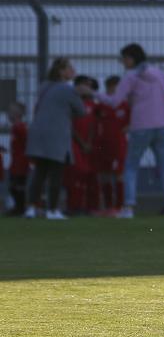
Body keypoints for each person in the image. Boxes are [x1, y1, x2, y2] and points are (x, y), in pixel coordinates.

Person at [95, 43, 164, 219]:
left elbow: (114, 101)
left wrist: (94, 94)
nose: (122, 63)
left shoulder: (130, 77)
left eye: (123, 59)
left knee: (131, 168)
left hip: (141, 126)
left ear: (130, 58)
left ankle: (129, 208)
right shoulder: (158, 73)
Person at [23, 58, 89, 220]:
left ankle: (31, 208)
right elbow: (81, 111)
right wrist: (81, 95)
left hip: (38, 133)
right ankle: (52, 210)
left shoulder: (44, 87)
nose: (73, 71)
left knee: (39, 172)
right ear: (62, 71)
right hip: (57, 135)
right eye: (69, 68)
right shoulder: (68, 90)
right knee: (56, 173)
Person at [94, 76, 129, 214]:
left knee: (119, 174)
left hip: (119, 145)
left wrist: (128, 128)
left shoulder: (125, 105)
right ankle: (108, 207)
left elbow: (133, 121)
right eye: (110, 87)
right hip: (103, 146)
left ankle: (119, 207)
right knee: (104, 175)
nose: (112, 90)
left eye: (115, 87)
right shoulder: (101, 105)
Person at [64, 75, 98, 215]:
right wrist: (82, 142)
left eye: (89, 85)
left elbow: (93, 126)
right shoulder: (72, 103)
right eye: (85, 85)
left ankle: (91, 207)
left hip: (90, 145)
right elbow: (70, 125)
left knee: (91, 176)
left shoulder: (94, 105)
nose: (87, 88)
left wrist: (88, 142)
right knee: (76, 174)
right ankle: (74, 206)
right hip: (75, 144)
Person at [6, 102, 29, 216]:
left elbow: (26, 143)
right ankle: (17, 207)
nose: (7, 115)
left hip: (21, 162)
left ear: (17, 114)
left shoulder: (20, 127)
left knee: (18, 185)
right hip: (15, 162)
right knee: (14, 185)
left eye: (10, 112)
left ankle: (20, 208)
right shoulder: (15, 127)